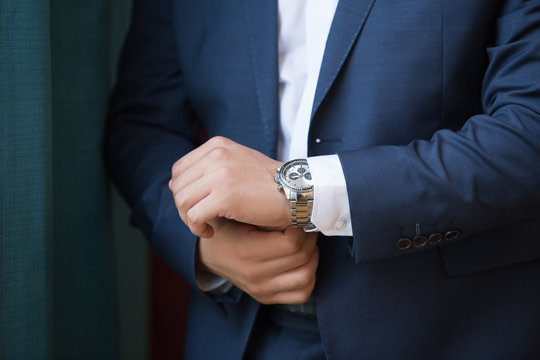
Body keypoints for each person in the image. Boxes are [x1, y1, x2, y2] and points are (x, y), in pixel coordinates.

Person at [105, 0, 540, 358]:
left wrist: (299, 191)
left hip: (449, 328)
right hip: (240, 331)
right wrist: (202, 245)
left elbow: (529, 131)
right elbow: (143, 126)